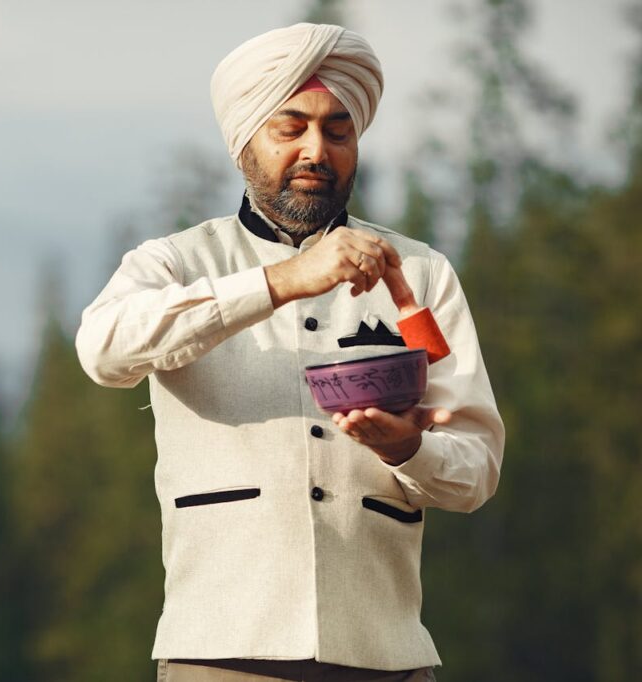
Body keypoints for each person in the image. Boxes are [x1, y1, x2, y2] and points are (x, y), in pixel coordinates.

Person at [75, 22, 503, 682]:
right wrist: (278, 283)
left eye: (338, 131)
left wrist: (404, 448)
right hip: (220, 648)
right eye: (290, 127)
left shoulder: (418, 274)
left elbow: (475, 470)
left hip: (385, 652)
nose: (316, 150)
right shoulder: (176, 262)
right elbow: (104, 351)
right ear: (245, 140)